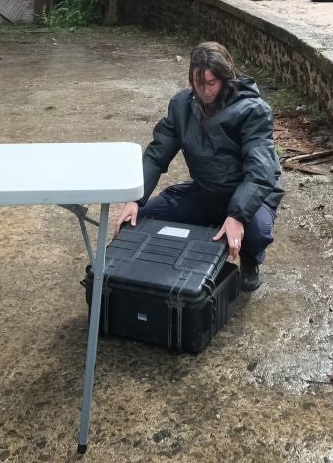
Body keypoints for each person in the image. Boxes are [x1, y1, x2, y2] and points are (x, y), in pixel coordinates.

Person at [114, 42, 283, 290]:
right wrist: (135, 198)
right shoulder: (181, 105)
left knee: (256, 233)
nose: (203, 90)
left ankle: (249, 260)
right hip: (206, 190)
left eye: (211, 83)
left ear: (225, 79)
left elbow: (261, 172)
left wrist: (237, 215)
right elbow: (156, 154)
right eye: (197, 83)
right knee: (144, 218)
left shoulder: (253, 110)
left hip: (249, 195)